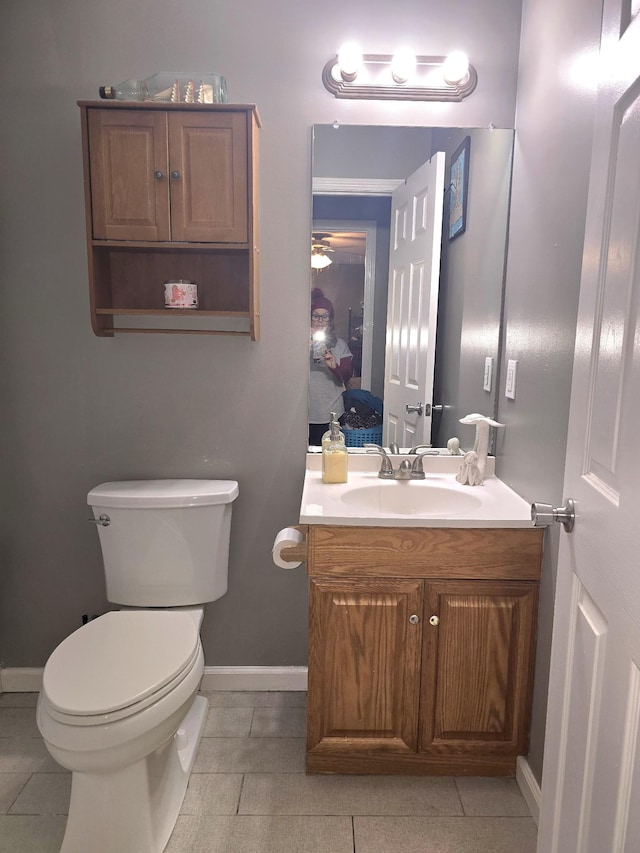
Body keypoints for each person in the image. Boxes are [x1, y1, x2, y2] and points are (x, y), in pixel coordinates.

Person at [308, 288, 352, 446]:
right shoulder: (298, 343)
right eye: (315, 316)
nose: (319, 320)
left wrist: (334, 367)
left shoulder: (340, 345)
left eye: (324, 316)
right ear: (310, 318)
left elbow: (347, 376)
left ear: (330, 320)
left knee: (331, 456)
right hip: (304, 414)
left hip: (332, 413)